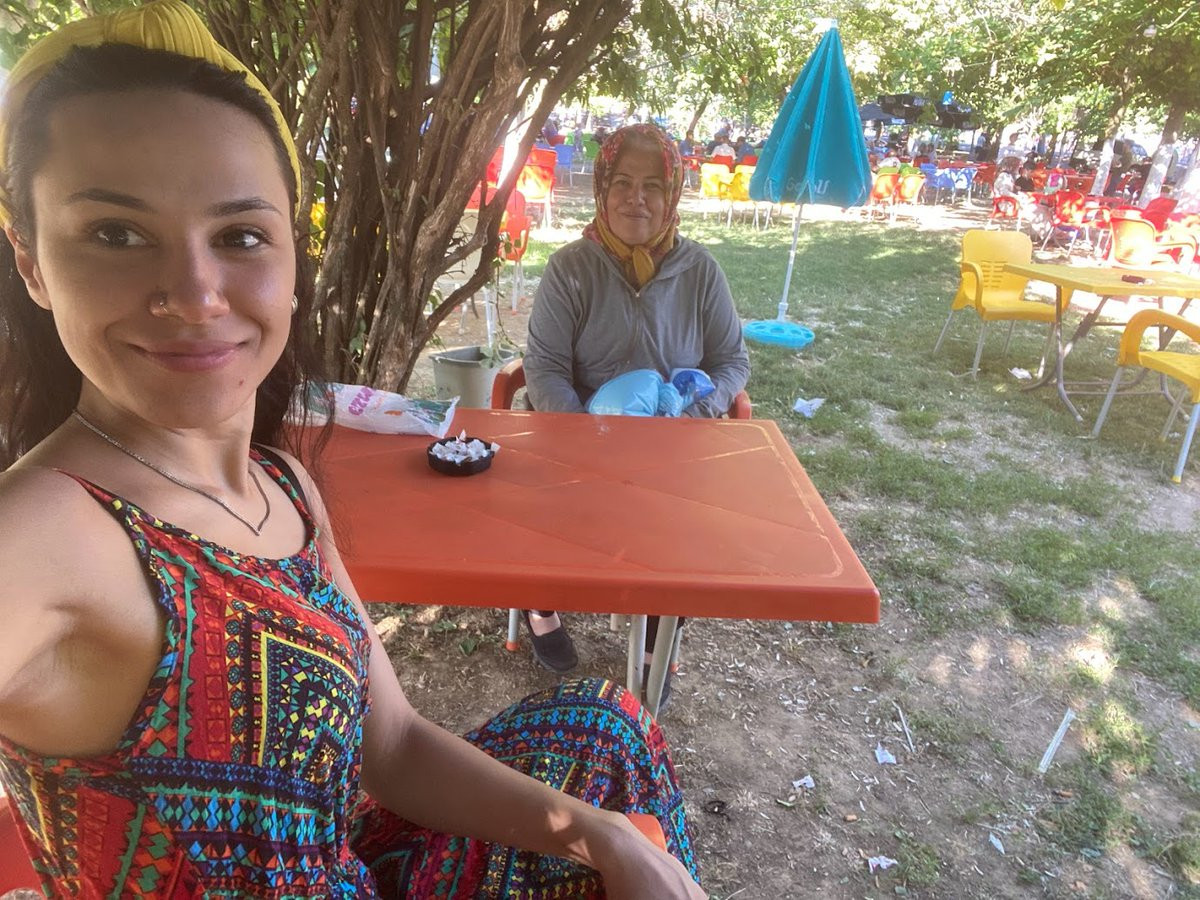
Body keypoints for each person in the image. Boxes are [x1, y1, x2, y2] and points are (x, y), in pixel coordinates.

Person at [0, 4, 705, 898]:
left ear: (292, 262)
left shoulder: (284, 484)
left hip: (351, 867)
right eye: (116, 235)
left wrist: (604, 837)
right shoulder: (45, 532)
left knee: (610, 733)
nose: (195, 293)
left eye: (240, 236)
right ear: (30, 260)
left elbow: (394, 744)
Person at [520, 124, 750, 699]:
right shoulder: (571, 268)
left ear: (672, 195)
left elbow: (731, 362)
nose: (636, 199)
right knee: (536, 503)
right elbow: (544, 367)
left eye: (653, 185)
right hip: (575, 433)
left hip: (670, 442)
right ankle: (539, 605)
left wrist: (695, 416)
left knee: (678, 521)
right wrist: (584, 437)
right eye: (622, 182)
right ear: (602, 188)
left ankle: (657, 636)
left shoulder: (700, 272)